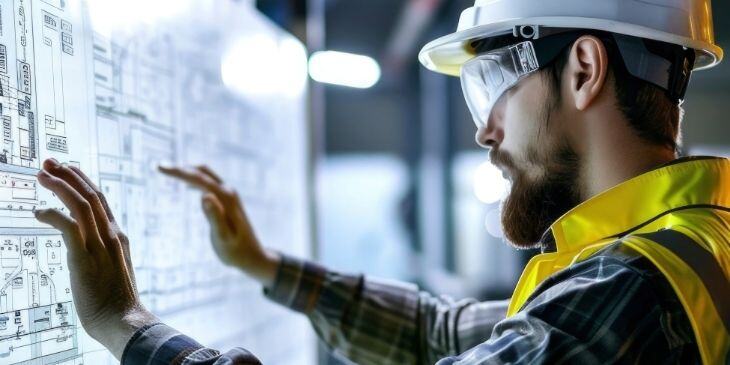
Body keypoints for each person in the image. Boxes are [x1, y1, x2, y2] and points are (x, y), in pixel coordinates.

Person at [33, 0, 729, 364]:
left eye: (494, 87)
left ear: (583, 70)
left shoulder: (638, 288)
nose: (486, 131)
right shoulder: (685, 247)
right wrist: (268, 265)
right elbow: (442, 334)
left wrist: (126, 326)